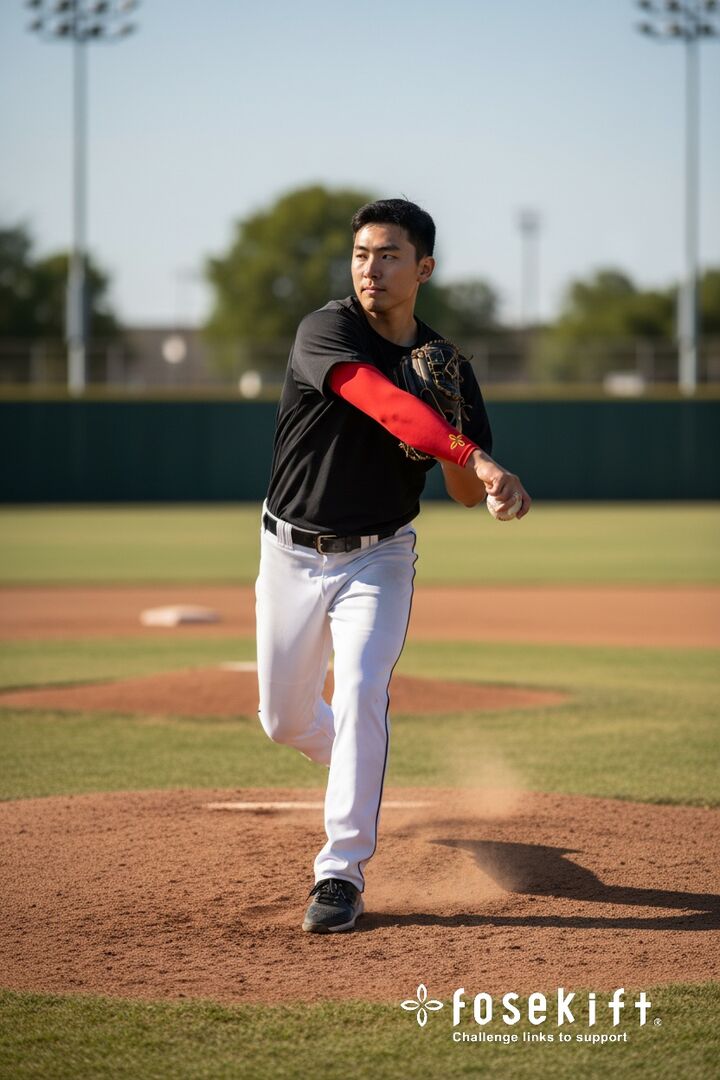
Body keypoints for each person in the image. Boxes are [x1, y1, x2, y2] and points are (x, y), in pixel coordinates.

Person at [255, 198, 530, 933]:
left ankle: (339, 874)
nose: (370, 268)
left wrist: (469, 461)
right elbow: (379, 402)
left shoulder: (447, 365)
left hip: (378, 556)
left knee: (361, 690)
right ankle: (358, 758)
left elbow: (462, 495)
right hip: (289, 551)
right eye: (361, 254)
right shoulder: (327, 330)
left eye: (388, 255)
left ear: (424, 268)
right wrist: (474, 453)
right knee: (283, 720)